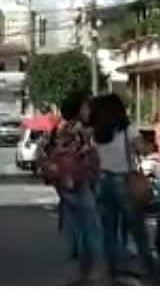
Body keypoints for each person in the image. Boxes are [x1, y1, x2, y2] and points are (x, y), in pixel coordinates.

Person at [91, 94, 159, 283]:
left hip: (103, 181)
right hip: (124, 181)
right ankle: (150, 269)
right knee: (137, 228)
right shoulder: (128, 130)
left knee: (109, 229)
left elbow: (95, 159)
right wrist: (150, 145)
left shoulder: (97, 134)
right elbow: (143, 150)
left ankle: (113, 270)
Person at [45, 91, 103, 284]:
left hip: (68, 182)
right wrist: (89, 150)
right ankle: (89, 272)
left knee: (82, 227)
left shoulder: (63, 127)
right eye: (87, 106)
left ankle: (85, 273)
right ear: (79, 108)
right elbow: (74, 154)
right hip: (78, 180)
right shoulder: (74, 130)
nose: (90, 111)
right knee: (90, 227)